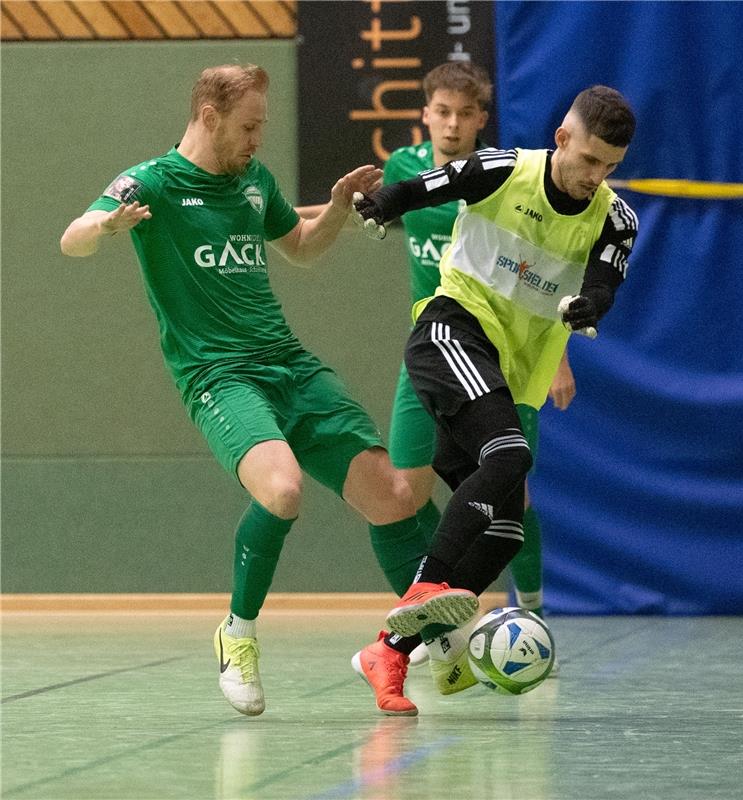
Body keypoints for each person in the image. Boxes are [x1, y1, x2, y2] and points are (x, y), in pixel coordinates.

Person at [60, 63, 433, 717]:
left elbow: (300, 248)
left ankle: (428, 636)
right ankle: (237, 635)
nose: (258, 139)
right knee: (282, 489)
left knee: (394, 496)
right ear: (209, 118)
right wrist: (106, 228)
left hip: (287, 364)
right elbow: (72, 239)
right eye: (249, 126)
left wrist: (338, 211)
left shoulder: (252, 182)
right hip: (217, 375)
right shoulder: (149, 183)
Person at [351, 85, 638, 715]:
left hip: (509, 373)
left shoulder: (616, 219)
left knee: (506, 531)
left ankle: (389, 650)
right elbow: (425, 188)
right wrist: (380, 203)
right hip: (452, 330)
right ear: (562, 138)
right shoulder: (505, 169)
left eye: (610, 167)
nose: (596, 177)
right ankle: (427, 591)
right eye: (589, 160)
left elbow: (603, 283)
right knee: (508, 458)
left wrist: (589, 307)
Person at [381, 62, 578, 660]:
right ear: (425, 113)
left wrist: (561, 354)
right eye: (442, 110)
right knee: (401, 491)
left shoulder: (500, 177)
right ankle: (427, 620)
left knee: (512, 488)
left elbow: (549, 270)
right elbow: (369, 209)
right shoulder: (402, 170)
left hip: (501, 351)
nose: (453, 122)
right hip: (434, 344)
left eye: (465, 113)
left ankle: (532, 613)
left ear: (481, 121)